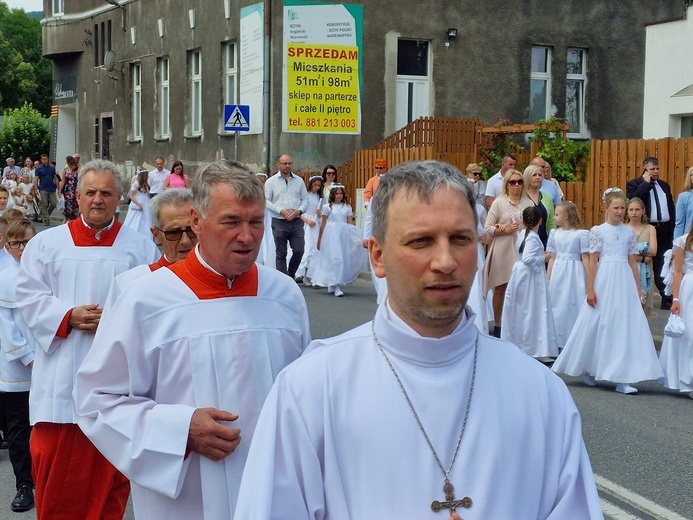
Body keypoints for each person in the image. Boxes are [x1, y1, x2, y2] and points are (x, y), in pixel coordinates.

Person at [235, 160, 603, 519]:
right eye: (421, 241)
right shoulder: (311, 388)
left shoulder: (538, 390)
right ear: (377, 257)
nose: (445, 261)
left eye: (460, 239)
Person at [74, 160, 310, 520]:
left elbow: (304, 397)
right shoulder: (146, 300)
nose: (247, 237)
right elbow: (97, 401)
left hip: (274, 493)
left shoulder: (285, 295)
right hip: (187, 499)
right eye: (231, 221)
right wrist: (181, 430)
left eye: (256, 222)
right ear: (197, 221)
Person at [15, 159, 160, 520]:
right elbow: (28, 298)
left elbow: (158, 304)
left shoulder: (140, 248)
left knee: (108, 486)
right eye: (91, 192)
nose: (98, 200)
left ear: (119, 199)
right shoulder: (46, 245)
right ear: (76, 197)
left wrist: (119, 322)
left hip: (117, 383)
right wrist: (68, 316)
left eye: (106, 193)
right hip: (59, 382)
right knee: (58, 480)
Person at [552, 188, 664, 394]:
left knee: (623, 325)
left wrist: (638, 288)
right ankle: (587, 366)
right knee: (599, 322)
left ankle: (622, 376)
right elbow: (593, 260)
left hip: (624, 280)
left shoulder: (629, 232)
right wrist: (591, 287)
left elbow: (632, 261)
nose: (620, 212)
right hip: (605, 278)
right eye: (616, 208)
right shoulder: (597, 231)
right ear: (607, 208)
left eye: (623, 208)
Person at [103, 188, 198, 308]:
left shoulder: (225, 279)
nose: (185, 241)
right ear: (156, 235)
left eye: (192, 230)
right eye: (174, 233)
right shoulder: (130, 285)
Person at [0, 218, 37, 512]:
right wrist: (29, 357)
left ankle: (48, 479)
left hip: (50, 363)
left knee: (47, 425)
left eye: (28, 242)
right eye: (16, 243)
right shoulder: (3, 278)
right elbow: (6, 328)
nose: (23, 249)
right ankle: (24, 485)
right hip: (17, 370)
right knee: (18, 430)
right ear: (8, 245)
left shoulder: (46, 274)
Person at [501, 206, 558, 359]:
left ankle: (526, 344)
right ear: (540, 220)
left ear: (523, 221)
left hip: (521, 274)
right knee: (530, 309)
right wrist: (545, 258)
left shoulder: (522, 234)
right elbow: (527, 259)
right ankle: (530, 347)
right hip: (529, 277)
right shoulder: (532, 237)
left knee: (523, 309)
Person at [483, 169, 533, 337]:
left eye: (519, 181)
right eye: (513, 182)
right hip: (503, 247)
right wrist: (501, 230)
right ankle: (498, 325)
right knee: (501, 287)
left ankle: (518, 324)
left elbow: (534, 227)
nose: (516, 185)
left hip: (522, 247)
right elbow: (487, 228)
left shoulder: (528, 202)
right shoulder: (499, 202)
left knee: (522, 288)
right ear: (507, 185)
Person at [626, 157, 675, 309]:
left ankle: (667, 299)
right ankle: (638, 295)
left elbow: (670, 208)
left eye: (657, 168)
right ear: (645, 170)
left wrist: (672, 228)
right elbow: (635, 199)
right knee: (643, 262)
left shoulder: (664, 186)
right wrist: (645, 183)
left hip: (664, 229)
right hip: (646, 228)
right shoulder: (634, 184)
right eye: (652, 169)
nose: (656, 171)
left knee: (663, 263)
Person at [311, 184, 368, 297]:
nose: (339, 196)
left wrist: (356, 238)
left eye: (341, 193)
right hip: (330, 234)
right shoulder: (328, 207)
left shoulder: (346, 207)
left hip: (343, 235)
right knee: (334, 258)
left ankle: (336, 283)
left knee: (341, 258)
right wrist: (319, 240)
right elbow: (323, 224)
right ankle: (334, 284)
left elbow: (350, 224)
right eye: (337, 193)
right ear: (333, 195)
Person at [546, 202, 589, 348]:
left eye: (557, 215)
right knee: (557, 303)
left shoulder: (581, 234)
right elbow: (552, 257)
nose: (555, 218)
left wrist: (590, 279)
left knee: (573, 301)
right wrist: (548, 277)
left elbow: (585, 258)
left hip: (574, 271)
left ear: (567, 216)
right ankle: (556, 339)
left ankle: (573, 338)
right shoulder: (554, 233)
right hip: (558, 270)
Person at [658, 223, 693, 398]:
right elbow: (678, 271)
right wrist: (676, 298)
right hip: (689, 288)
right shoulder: (683, 241)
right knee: (689, 334)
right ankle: (688, 380)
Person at [264, 154, 309, 278]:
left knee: (299, 251)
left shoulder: (299, 181)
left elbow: (305, 199)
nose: (287, 166)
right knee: (281, 253)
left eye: (289, 163)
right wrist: (280, 211)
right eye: (284, 163)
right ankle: (282, 279)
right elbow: (266, 201)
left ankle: (290, 274)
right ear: (279, 165)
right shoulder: (271, 182)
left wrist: (299, 211)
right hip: (279, 221)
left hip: (296, 221)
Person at [624, 198, 657, 316]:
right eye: (631, 209)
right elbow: (622, 252)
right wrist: (641, 256)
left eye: (637, 209)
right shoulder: (623, 228)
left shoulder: (649, 228)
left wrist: (633, 253)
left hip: (644, 270)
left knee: (643, 303)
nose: (634, 212)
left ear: (643, 211)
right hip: (627, 268)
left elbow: (653, 251)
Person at [295, 175, 323, 285]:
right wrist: (307, 220)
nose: (317, 187)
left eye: (319, 186)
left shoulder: (320, 197)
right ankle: (299, 272)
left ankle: (309, 275)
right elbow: (299, 211)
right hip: (306, 223)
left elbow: (323, 210)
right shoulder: (305, 196)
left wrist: (319, 214)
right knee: (306, 247)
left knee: (314, 249)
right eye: (315, 185)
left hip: (315, 224)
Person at [524, 164, 555, 248]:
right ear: (527, 177)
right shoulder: (521, 197)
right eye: (534, 175)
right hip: (526, 241)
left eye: (539, 175)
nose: (537, 177)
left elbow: (551, 223)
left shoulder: (547, 197)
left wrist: (552, 241)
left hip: (544, 241)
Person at [123, 169, 153, 236]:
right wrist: (138, 204)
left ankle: (145, 233)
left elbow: (147, 194)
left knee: (146, 218)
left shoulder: (146, 183)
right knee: (135, 218)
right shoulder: (136, 183)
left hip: (146, 202)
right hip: (138, 202)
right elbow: (131, 195)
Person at [33, 154, 58, 226]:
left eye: (46, 159)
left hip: (51, 187)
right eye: (43, 159)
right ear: (41, 160)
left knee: (53, 204)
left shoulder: (52, 168)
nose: (45, 160)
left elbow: (55, 178)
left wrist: (58, 187)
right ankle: (46, 218)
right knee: (44, 204)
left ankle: (46, 215)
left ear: (47, 159)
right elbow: (36, 179)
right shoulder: (38, 168)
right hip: (43, 188)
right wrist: (35, 189)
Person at [674, 166, 693, 239]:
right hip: (689, 240)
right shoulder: (683, 197)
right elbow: (679, 223)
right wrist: (676, 244)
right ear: (690, 178)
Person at [59, 155, 80, 221]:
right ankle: (67, 218)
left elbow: (80, 179)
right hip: (67, 190)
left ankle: (75, 217)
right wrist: (60, 190)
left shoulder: (78, 169)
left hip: (75, 189)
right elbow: (63, 181)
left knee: (75, 204)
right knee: (68, 204)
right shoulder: (66, 170)